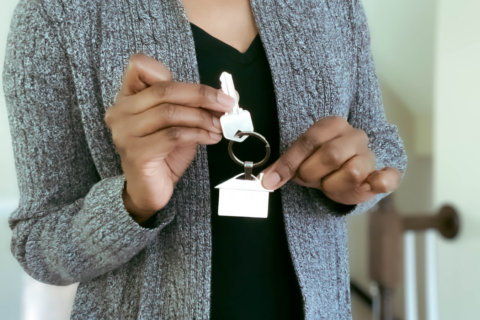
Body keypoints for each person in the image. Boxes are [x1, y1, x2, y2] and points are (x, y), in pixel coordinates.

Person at [3, 0, 407, 319]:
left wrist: (354, 181)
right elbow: (38, 246)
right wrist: (132, 204)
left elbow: (380, 143)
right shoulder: (56, 15)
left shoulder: (333, 7)